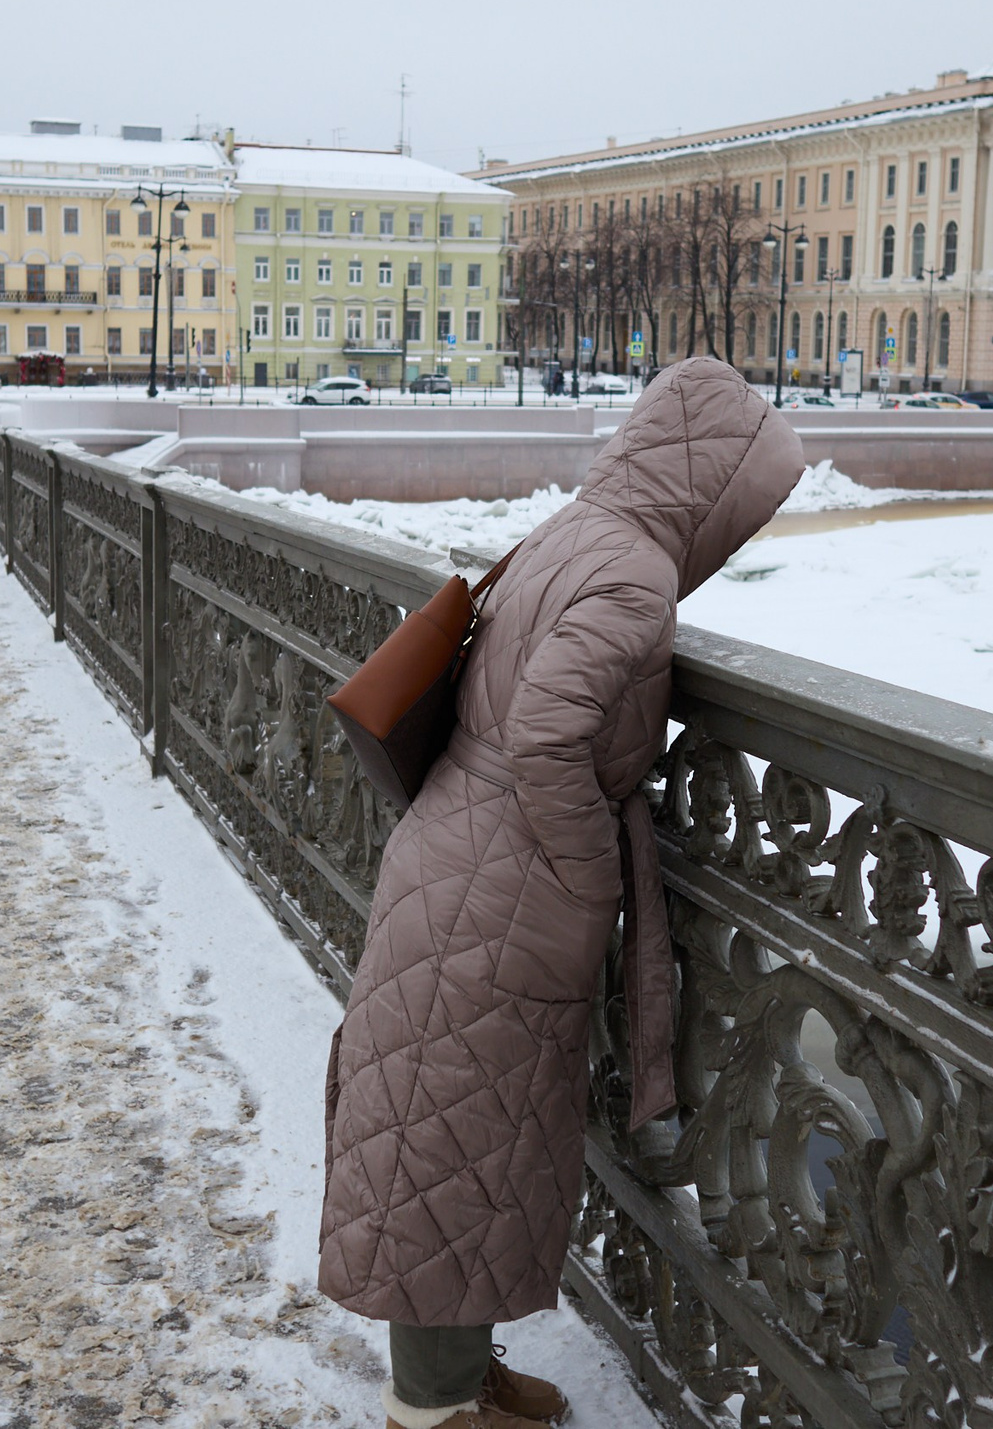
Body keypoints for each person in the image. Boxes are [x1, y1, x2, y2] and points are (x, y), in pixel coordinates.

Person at [318, 357, 804, 1429]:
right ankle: (433, 1410)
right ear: (713, 487)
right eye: (748, 505)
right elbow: (548, 736)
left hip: (453, 850)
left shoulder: (574, 530)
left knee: (450, 1122)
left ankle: (458, 1373)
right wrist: (590, 881)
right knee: (446, 1136)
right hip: (506, 889)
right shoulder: (633, 576)